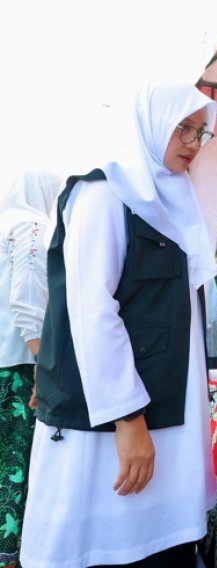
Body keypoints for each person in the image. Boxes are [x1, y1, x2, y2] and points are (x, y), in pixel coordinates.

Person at [21, 83, 217, 567]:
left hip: (167, 411)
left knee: (158, 543)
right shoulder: (103, 195)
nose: (193, 144)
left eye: (201, 133)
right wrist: (129, 420)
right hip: (113, 419)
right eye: (184, 129)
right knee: (104, 546)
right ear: (150, 125)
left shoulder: (176, 202)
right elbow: (92, 312)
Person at [0, 170, 60, 567]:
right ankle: (10, 555)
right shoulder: (30, 228)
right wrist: (44, 360)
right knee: (15, 467)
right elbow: (25, 299)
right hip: (17, 368)